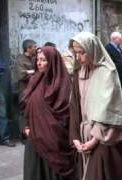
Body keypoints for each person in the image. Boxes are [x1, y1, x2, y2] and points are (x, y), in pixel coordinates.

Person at [69, 32, 122, 180]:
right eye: (75, 53)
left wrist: (94, 140)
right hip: (83, 136)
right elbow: (75, 105)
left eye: (82, 53)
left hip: (103, 139)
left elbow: (109, 111)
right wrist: (75, 136)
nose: (78, 57)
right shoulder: (79, 72)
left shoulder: (107, 72)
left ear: (92, 49)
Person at [22, 46, 75, 180]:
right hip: (35, 136)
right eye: (38, 59)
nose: (39, 63)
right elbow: (26, 105)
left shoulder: (63, 83)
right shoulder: (35, 80)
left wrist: (50, 129)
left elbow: (66, 112)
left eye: (43, 60)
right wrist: (26, 126)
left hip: (55, 139)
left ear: (52, 61)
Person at [15, 39, 37, 141]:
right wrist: (33, 72)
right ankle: (23, 136)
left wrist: (30, 72)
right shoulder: (20, 59)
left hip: (35, 90)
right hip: (24, 91)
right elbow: (21, 75)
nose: (36, 49)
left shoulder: (36, 58)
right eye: (34, 47)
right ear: (28, 48)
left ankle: (33, 133)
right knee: (24, 112)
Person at [105, 32, 122, 101]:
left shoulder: (118, 48)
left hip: (121, 77)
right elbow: (108, 62)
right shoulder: (108, 48)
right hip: (115, 77)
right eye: (120, 39)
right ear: (114, 39)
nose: (121, 40)